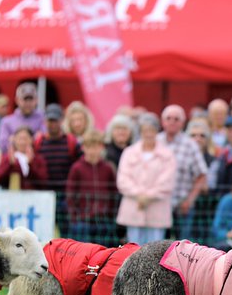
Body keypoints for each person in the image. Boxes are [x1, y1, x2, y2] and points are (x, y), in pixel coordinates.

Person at [115, 114, 176, 245]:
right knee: (134, 248)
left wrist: (147, 197)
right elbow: (123, 179)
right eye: (145, 130)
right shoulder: (129, 152)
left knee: (155, 249)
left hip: (157, 210)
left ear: (157, 131)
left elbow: (167, 181)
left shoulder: (167, 154)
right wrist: (139, 195)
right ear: (140, 132)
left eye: (151, 130)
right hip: (134, 208)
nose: (148, 134)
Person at [158, 105, 209, 241]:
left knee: (182, 246)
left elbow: (202, 175)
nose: (172, 122)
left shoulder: (190, 145)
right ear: (163, 121)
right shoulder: (155, 142)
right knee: (157, 246)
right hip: (157, 204)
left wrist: (189, 200)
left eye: (176, 119)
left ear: (182, 123)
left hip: (182, 206)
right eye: (168, 118)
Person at [66, 130, 118, 245]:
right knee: (83, 251)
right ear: (83, 148)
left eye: (96, 147)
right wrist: (75, 216)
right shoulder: (76, 168)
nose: (92, 151)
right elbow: (70, 194)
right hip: (83, 220)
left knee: (104, 251)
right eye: (89, 147)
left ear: (102, 147)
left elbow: (113, 193)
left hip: (104, 220)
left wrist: (110, 214)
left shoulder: (108, 168)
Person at [35, 103, 81, 229]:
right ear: (45, 121)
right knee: (44, 230)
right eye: (50, 120)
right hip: (45, 195)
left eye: (55, 120)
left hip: (65, 196)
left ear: (61, 121)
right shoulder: (38, 142)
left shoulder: (71, 142)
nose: (53, 124)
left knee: (65, 230)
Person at [0, 126, 47, 190]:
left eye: (25, 139)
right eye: (19, 138)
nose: (22, 142)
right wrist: (11, 165)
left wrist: (30, 164)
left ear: (31, 140)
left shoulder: (38, 159)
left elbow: (43, 181)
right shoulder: (7, 158)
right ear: (14, 140)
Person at [0, 82, 44, 149]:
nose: (28, 103)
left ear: (36, 100)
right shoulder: (6, 121)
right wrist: (34, 139)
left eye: (31, 99)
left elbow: (46, 141)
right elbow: (2, 146)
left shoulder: (43, 118)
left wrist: (14, 139)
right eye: (25, 99)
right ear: (17, 100)